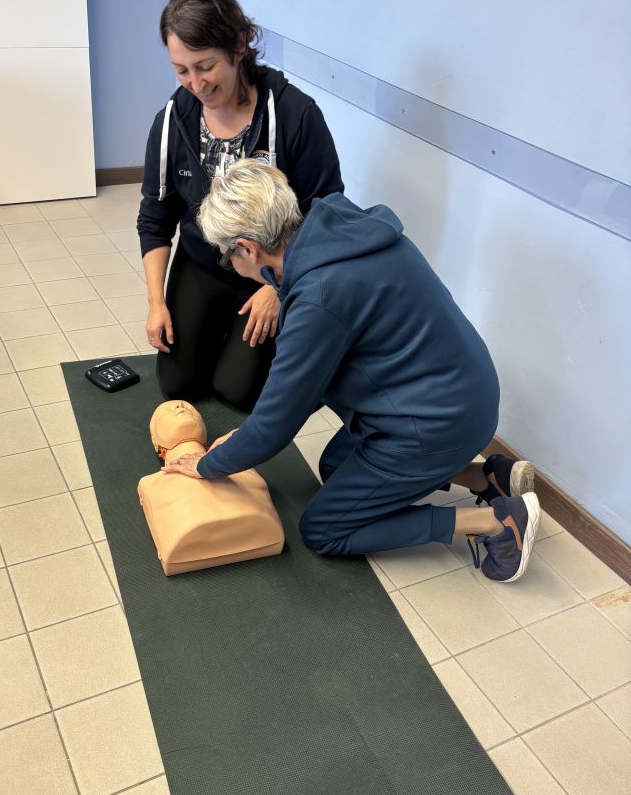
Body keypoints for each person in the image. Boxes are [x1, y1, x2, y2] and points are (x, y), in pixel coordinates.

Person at [164, 160, 541, 583]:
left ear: (247, 249)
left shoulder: (319, 295)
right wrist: (246, 436)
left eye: (226, 255)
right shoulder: (346, 230)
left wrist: (209, 465)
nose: (229, 263)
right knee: (335, 467)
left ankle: (498, 523)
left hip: (438, 422)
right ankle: (486, 476)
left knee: (324, 529)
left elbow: (276, 425)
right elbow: (304, 388)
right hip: (462, 394)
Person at [136, 0, 343, 411]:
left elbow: (325, 213)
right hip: (202, 263)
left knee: (238, 392)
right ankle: (214, 331)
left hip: (268, 272)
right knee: (178, 384)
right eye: (181, 70)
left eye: (205, 66)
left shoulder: (295, 115)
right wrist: (156, 302)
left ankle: (242, 341)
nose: (195, 83)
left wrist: (280, 290)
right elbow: (155, 218)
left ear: (239, 45)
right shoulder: (173, 120)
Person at [138, 400, 284, 575]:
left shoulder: (244, 469)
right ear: (155, 441)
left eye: (190, 408)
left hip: (263, 531)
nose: (180, 407)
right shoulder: (150, 484)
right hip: (262, 530)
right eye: (166, 412)